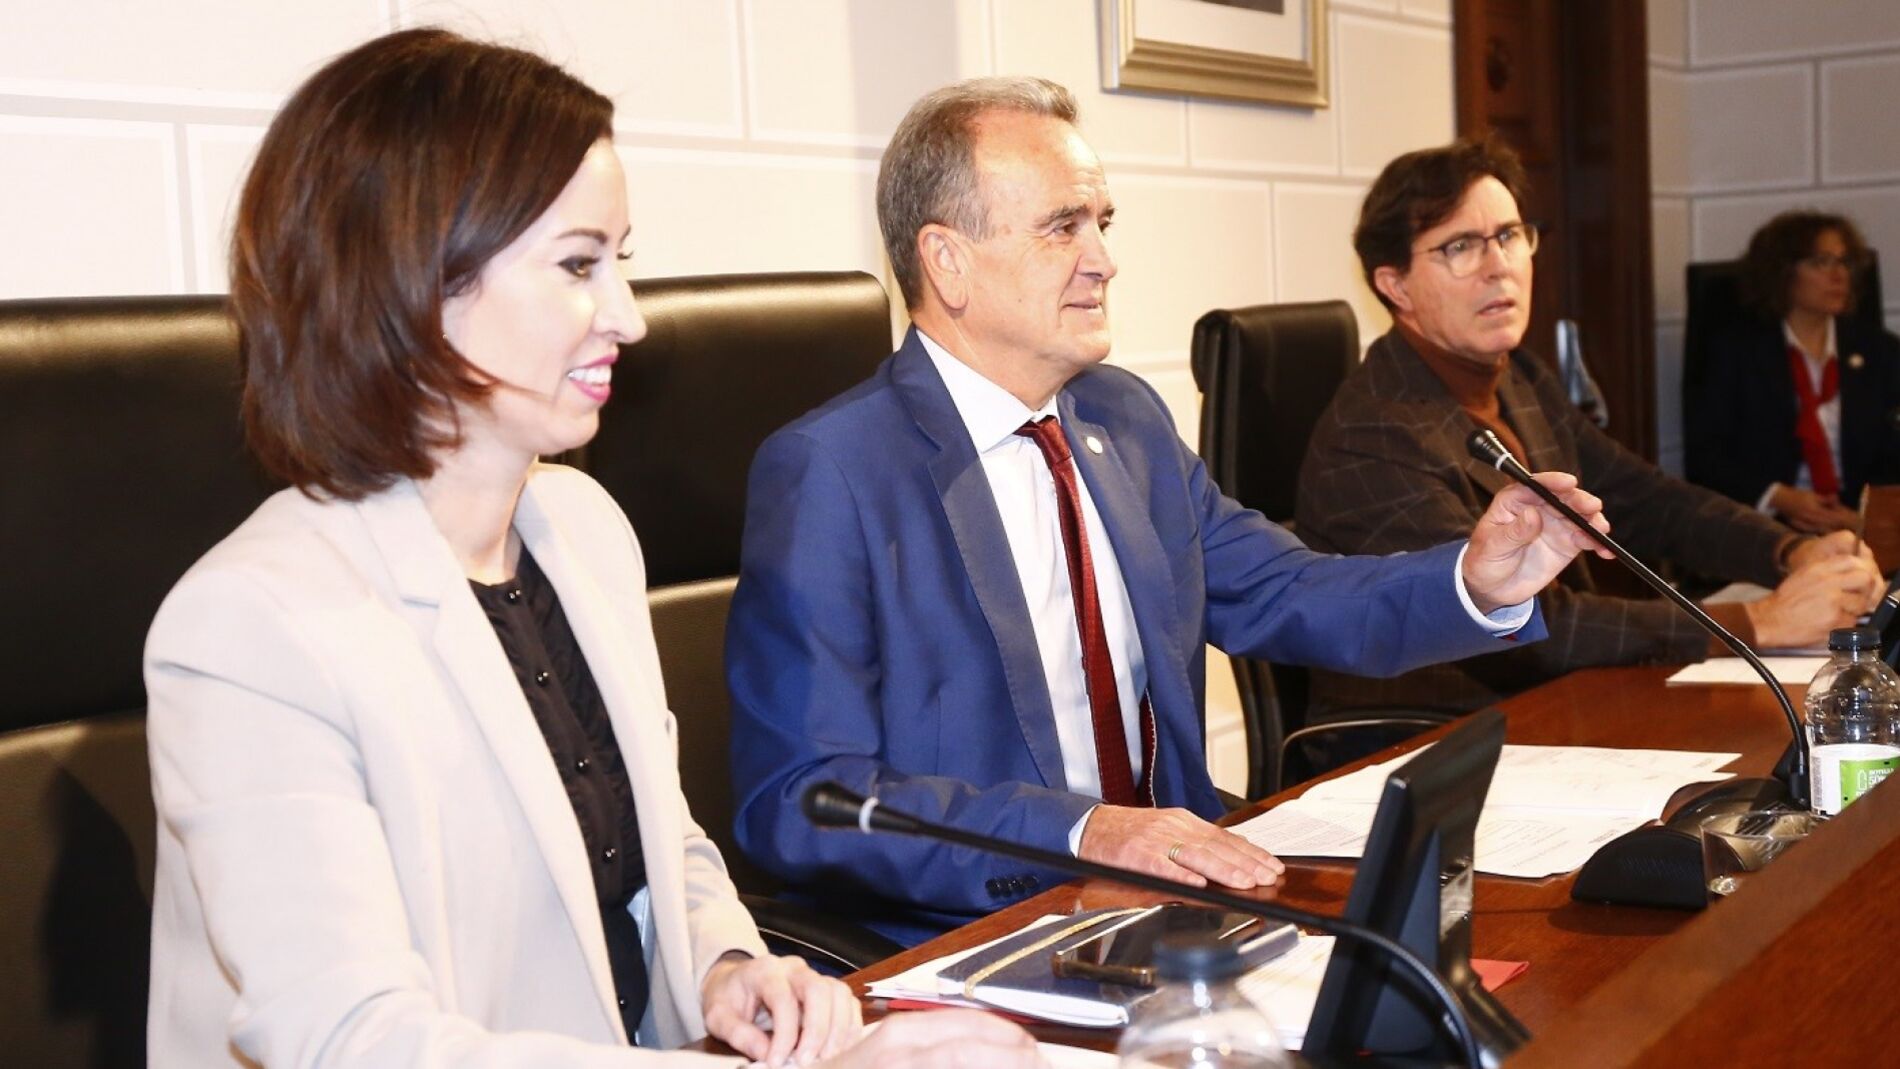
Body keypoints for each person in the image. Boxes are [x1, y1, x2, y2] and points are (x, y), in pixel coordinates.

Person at [143, 29, 1043, 1069]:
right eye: (578, 265)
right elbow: (355, 1040)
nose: (628, 317)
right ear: (411, 281)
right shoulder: (251, 626)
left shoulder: (581, 527)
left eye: (622, 262)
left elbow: (664, 843)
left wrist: (726, 965)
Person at [724, 78, 1611, 945]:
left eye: (1101, 224)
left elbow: (1286, 590)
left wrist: (1474, 582)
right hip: (979, 934)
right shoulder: (834, 471)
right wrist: (1083, 831)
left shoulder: (1122, 418)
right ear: (948, 260)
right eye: (1063, 227)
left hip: (1183, 905)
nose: (1103, 260)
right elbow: (801, 799)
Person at [1294, 137, 1884, 718]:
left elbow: (1645, 500)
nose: (1499, 267)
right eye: (1461, 247)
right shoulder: (1374, 433)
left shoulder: (1517, 376)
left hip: (1555, 710)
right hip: (1433, 737)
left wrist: (1790, 551)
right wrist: (1757, 622)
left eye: (1509, 236)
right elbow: (1519, 622)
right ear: (1394, 285)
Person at [1685, 210, 1900, 531]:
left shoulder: (1880, 351)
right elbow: (1706, 457)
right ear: (1782, 272)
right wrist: (1780, 497)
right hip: (1766, 526)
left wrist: (1865, 520)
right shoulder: (1737, 353)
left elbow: (1894, 455)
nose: (1839, 275)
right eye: (1821, 262)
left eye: (1845, 262)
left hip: (1859, 521)